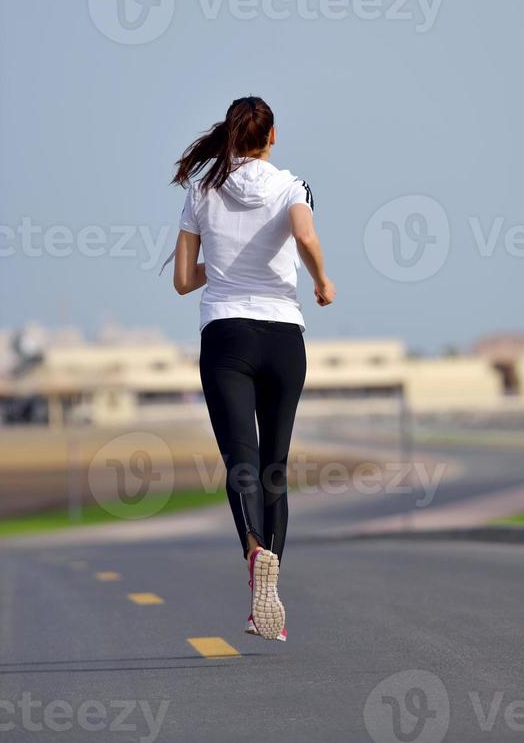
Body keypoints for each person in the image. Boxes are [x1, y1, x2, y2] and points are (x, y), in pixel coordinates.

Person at [170, 96, 336, 641]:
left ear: (230, 134)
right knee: (275, 465)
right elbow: (306, 237)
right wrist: (321, 282)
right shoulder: (293, 185)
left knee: (240, 460)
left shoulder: (201, 189)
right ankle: (274, 576)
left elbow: (182, 279)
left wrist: (220, 270)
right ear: (272, 137)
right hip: (285, 337)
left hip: (226, 336)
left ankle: (254, 554)